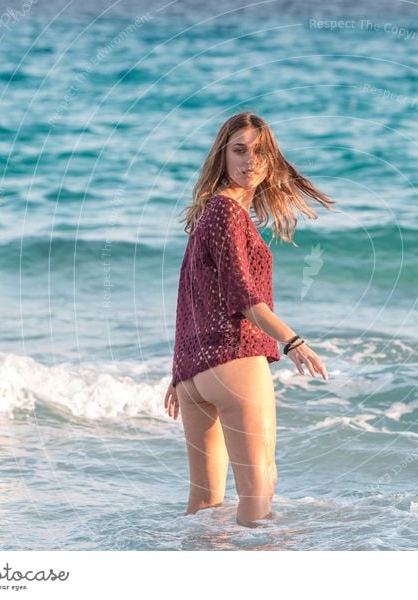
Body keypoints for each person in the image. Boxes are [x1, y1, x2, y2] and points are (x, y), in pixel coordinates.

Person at [164, 111, 336, 527]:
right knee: (260, 491)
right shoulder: (227, 213)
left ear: (271, 160)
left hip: (195, 376)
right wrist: (293, 342)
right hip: (233, 359)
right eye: (240, 150)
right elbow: (245, 298)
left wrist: (178, 374)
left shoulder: (209, 214)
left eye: (259, 153)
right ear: (222, 155)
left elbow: (188, 299)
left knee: (204, 504)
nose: (250, 161)